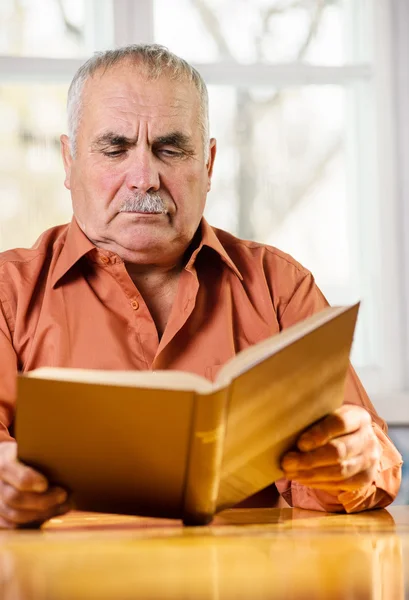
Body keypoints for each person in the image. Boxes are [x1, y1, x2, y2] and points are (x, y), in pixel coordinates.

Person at [0, 44, 402, 529]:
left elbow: (366, 465)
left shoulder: (279, 288)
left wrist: (354, 462)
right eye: (114, 148)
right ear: (68, 161)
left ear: (208, 164)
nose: (144, 179)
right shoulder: (7, 293)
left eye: (171, 149)